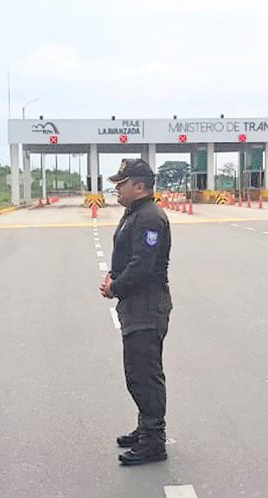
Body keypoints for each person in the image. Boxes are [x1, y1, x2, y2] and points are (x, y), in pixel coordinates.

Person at [100, 159, 173, 466]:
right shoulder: (136, 214)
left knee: (144, 375)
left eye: (122, 183)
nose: (117, 188)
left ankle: (154, 440)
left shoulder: (149, 219)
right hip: (136, 304)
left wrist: (115, 287)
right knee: (137, 373)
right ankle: (146, 428)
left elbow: (142, 267)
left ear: (140, 186)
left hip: (146, 305)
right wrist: (114, 279)